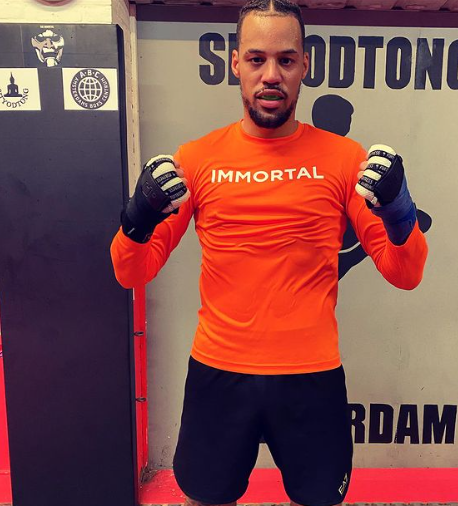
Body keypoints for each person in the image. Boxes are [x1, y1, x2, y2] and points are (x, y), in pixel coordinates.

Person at [110, 1, 428, 505]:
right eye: (257, 59)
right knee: (206, 498)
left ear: (305, 65)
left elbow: (404, 273)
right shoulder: (198, 158)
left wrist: (399, 212)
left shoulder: (345, 159)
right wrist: (138, 216)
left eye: (286, 59)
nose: (271, 75)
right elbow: (131, 272)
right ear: (235, 63)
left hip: (311, 376)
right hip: (219, 371)